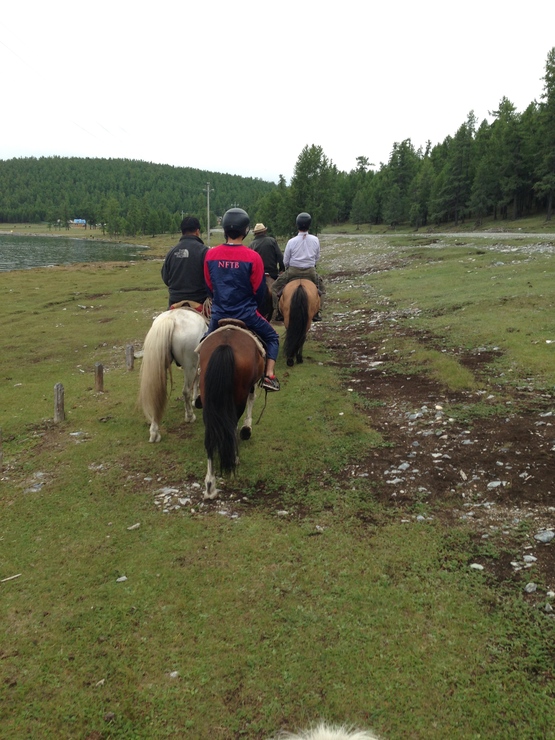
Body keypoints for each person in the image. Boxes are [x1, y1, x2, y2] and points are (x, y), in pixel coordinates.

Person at [204, 208, 280, 392]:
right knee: (272, 338)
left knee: (202, 343)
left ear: (224, 230)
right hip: (246, 314)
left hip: (219, 314)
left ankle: (200, 375)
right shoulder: (253, 257)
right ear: (246, 231)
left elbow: (209, 286)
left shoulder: (210, 255)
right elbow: (259, 290)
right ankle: (269, 375)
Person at [271, 212, 324, 321]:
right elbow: (317, 257)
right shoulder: (315, 240)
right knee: (322, 289)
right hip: (310, 271)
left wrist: (287, 267)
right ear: (309, 225)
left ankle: (278, 312)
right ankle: (318, 312)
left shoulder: (291, 241)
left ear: (297, 225)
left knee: (274, 288)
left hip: (293, 271)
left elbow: (286, 260)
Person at [161, 216, 209, 310]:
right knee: (214, 322)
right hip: (199, 301)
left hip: (175, 301)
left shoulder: (171, 252)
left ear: (182, 232)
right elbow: (210, 279)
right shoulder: (204, 252)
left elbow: (166, 278)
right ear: (197, 232)